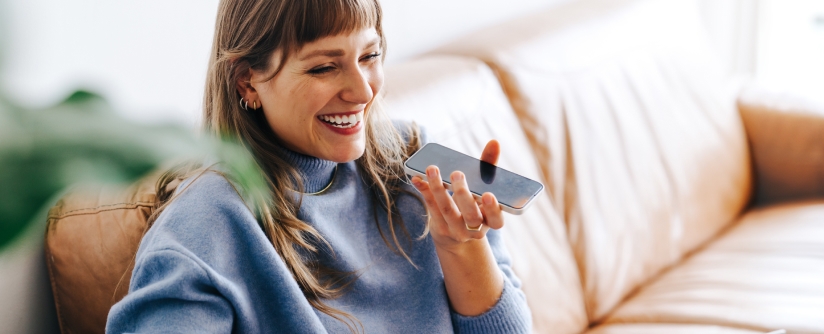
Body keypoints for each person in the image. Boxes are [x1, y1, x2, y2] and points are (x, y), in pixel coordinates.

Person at [105, 0, 532, 332]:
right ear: (247, 81)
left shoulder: (414, 158)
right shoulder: (206, 226)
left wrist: (462, 248)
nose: (362, 91)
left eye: (370, 56)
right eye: (325, 67)